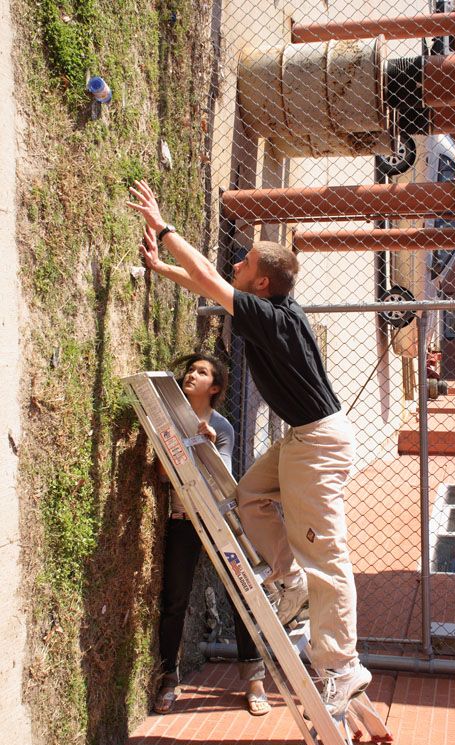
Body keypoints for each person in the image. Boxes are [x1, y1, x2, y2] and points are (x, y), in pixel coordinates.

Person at [128, 180, 372, 717]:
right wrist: (162, 268)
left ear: (261, 281)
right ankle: (288, 579)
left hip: (320, 443)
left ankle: (341, 665)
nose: (236, 263)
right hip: (303, 437)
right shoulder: (268, 308)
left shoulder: (274, 317)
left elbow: (209, 279)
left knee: (326, 556)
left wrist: (162, 227)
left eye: (245, 262)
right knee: (250, 497)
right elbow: (211, 285)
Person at [155, 352, 270, 716]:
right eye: (191, 369)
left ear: (215, 387)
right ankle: (168, 678)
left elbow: (220, 483)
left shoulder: (222, 427)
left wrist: (206, 444)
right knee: (174, 600)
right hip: (183, 519)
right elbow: (163, 475)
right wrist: (175, 443)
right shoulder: (169, 419)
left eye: (202, 372)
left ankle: (254, 681)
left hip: (218, 523)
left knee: (242, 595)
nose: (192, 374)